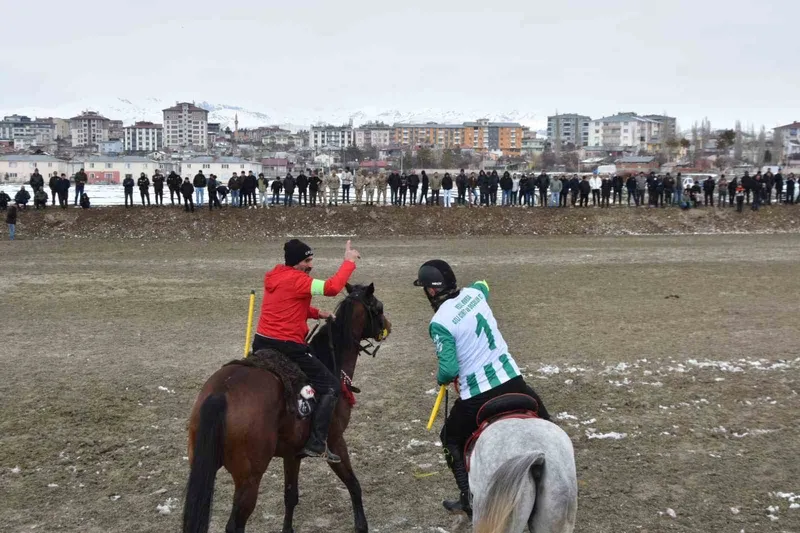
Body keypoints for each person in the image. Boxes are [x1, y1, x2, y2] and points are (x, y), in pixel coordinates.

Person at [413, 260, 552, 518]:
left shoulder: (440, 322)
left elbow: (449, 370)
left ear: (431, 291)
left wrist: (440, 378)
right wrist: (478, 287)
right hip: (513, 381)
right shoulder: (475, 294)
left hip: (478, 396)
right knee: (548, 425)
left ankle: (468, 498)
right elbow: (483, 284)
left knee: (449, 437)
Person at [252, 239, 361, 462]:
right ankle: (317, 442)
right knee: (331, 386)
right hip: (288, 346)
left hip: (262, 342)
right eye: (307, 261)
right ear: (295, 262)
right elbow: (332, 288)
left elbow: (288, 303)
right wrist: (349, 262)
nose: (311, 265)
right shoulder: (299, 280)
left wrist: (316, 313)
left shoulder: (275, 276)